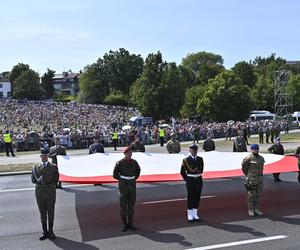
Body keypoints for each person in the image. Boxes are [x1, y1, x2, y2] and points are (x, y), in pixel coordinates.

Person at [31, 148, 59, 240]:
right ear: (40, 156)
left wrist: (51, 186)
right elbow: (33, 180)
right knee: (42, 212)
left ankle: (51, 231)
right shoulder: (35, 167)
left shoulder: (53, 166)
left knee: (51, 211)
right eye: (42, 156)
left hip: (50, 190)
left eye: (46, 155)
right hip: (39, 191)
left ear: (48, 156)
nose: (44, 157)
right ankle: (44, 231)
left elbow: (56, 179)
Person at [113, 147, 141, 232]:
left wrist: (132, 178)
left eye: (131, 153)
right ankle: (125, 224)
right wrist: (123, 179)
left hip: (132, 184)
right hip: (123, 185)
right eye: (128, 153)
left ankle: (131, 223)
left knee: (131, 203)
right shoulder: (119, 163)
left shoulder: (134, 162)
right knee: (123, 204)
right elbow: (115, 174)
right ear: (125, 154)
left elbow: (138, 171)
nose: (130, 154)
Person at [180, 144, 204, 223]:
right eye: (193, 150)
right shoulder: (186, 160)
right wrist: (187, 179)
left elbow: (201, 170)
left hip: (198, 179)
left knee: (197, 197)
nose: (194, 152)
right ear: (190, 151)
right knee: (191, 196)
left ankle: (195, 213)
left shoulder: (200, 159)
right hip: (190, 179)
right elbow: (182, 172)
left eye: (196, 150)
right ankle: (190, 214)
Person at [242, 144, 265, 217]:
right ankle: (251, 209)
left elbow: (262, 168)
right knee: (251, 195)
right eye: (255, 149)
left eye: (257, 149)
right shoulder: (248, 158)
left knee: (258, 195)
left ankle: (256, 209)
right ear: (251, 149)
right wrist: (249, 175)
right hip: (252, 179)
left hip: (259, 179)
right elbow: (244, 168)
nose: (256, 150)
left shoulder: (261, 158)